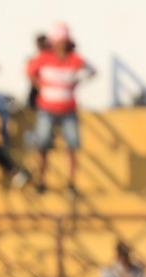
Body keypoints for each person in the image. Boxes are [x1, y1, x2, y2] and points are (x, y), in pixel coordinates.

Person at [27, 23, 95, 193]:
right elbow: (29, 72)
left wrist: (78, 81)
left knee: (71, 146)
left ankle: (71, 184)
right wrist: (40, 85)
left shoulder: (75, 59)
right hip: (46, 108)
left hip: (68, 109)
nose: (61, 44)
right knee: (43, 145)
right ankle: (41, 181)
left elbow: (92, 71)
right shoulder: (43, 58)